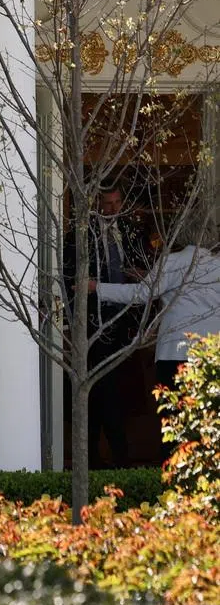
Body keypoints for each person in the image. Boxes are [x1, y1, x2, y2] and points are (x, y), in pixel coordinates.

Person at [93, 235, 220, 460]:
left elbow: (141, 294)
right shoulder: (216, 265)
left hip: (176, 353)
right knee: (207, 425)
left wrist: (96, 287)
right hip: (210, 355)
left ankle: (171, 483)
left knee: (173, 426)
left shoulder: (172, 261)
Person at [63, 184, 148, 468]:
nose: (112, 209)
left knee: (115, 387)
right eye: (107, 203)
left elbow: (148, 266)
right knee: (100, 387)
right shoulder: (80, 235)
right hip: (91, 322)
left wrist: (141, 274)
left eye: (117, 202)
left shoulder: (132, 229)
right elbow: (68, 275)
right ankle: (109, 455)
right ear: (96, 203)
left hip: (125, 318)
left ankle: (105, 455)